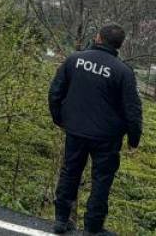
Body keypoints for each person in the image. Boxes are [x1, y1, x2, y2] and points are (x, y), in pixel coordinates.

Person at [48, 24, 144, 236]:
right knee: (101, 181)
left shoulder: (75, 60)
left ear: (98, 37)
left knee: (70, 173)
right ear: (120, 45)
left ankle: (61, 220)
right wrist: (134, 139)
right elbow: (133, 110)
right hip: (107, 137)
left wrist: (60, 119)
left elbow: (55, 91)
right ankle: (92, 227)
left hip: (76, 129)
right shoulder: (123, 72)